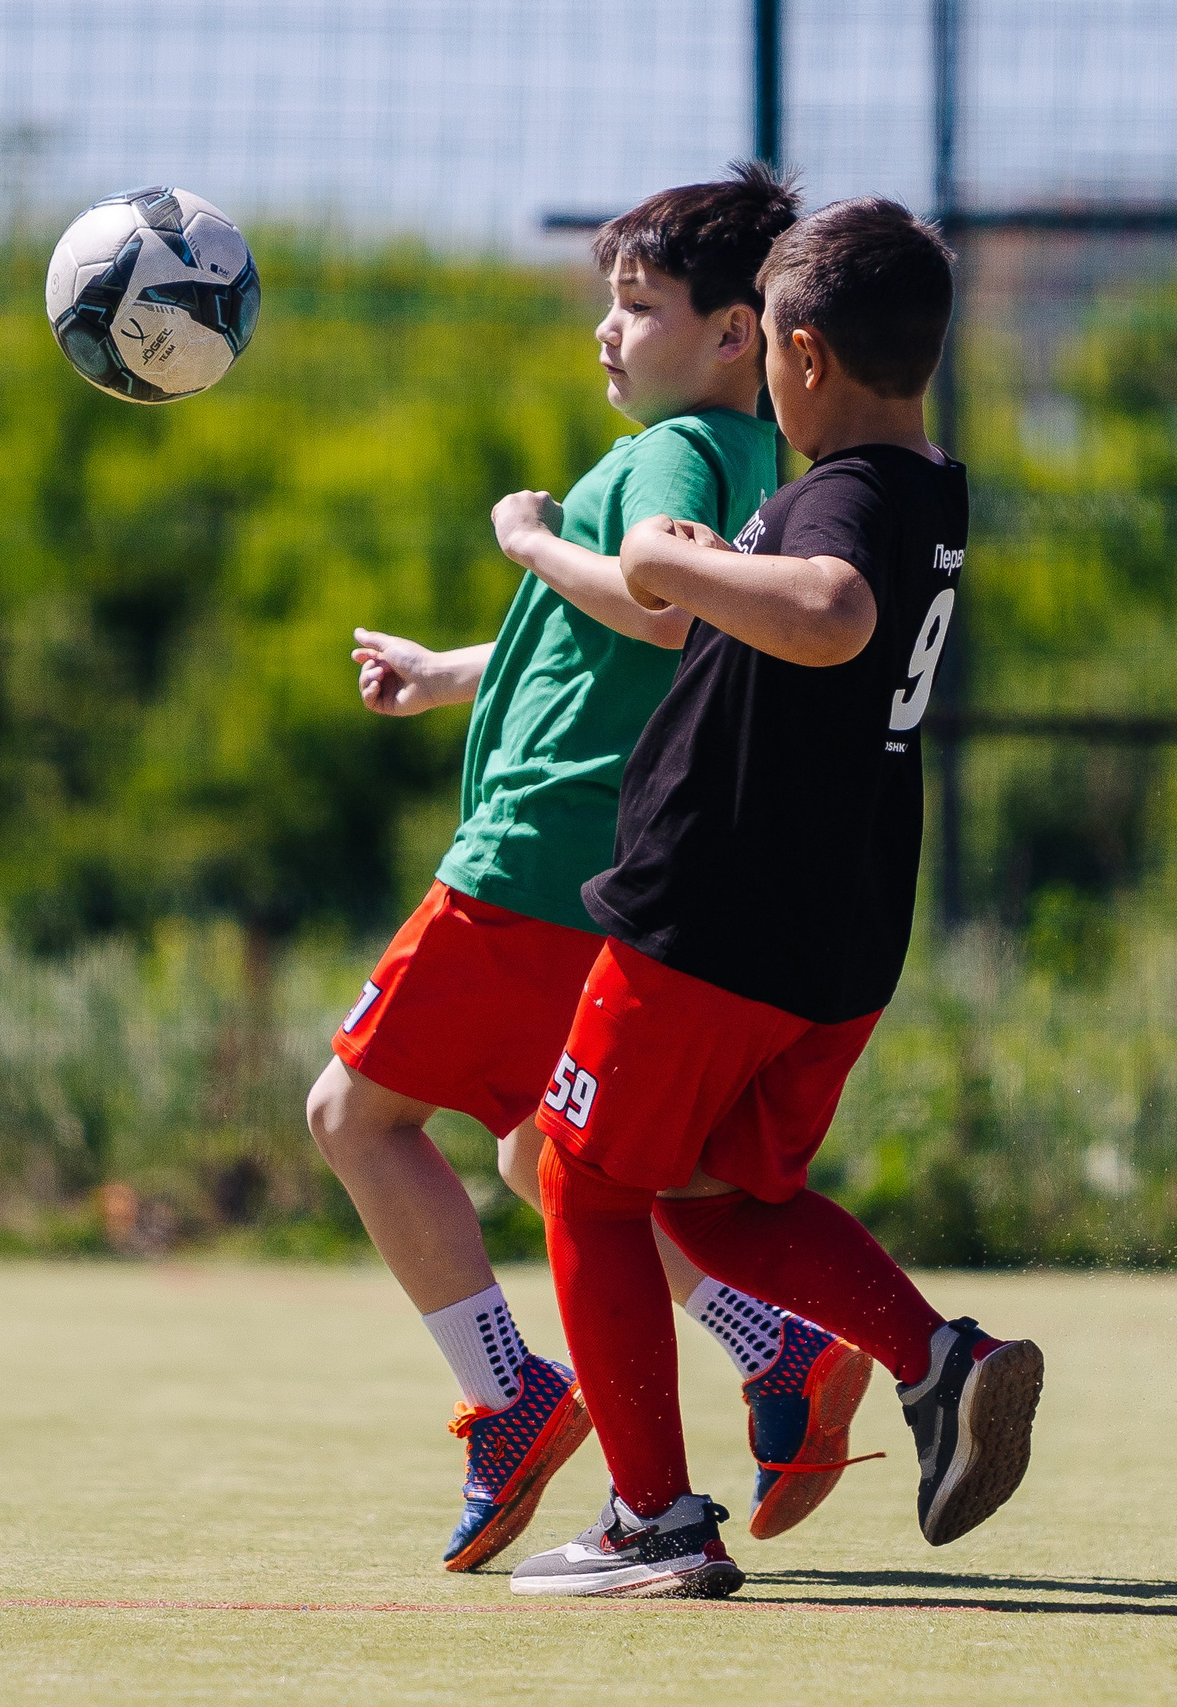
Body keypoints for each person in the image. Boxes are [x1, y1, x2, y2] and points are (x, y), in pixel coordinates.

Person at [308, 164, 877, 1575]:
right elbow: (600, 655)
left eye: (638, 307)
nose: (607, 334)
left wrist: (528, 537)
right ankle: (781, 1343)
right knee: (549, 1160)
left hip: (532, 865)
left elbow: (649, 605)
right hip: (619, 876)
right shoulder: (756, 468)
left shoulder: (682, 452)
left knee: (352, 1118)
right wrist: (451, 673)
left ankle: (510, 1394)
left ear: (739, 333)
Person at [508, 197, 1046, 1600]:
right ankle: (942, 1364)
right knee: (725, 1190)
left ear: (800, 357)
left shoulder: (848, 498)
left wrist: (676, 557)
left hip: (713, 918)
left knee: (583, 1185)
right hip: (834, 936)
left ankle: (651, 1520)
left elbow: (831, 615)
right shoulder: (929, 485)